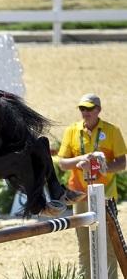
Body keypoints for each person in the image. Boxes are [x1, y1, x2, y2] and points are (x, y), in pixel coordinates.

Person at [57, 93, 126, 279]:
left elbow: (122, 163)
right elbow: (62, 163)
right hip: (79, 195)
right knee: (84, 247)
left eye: (89, 108)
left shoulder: (112, 131)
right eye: (82, 109)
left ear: (99, 110)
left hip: (106, 195)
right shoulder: (72, 131)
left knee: (109, 246)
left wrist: (104, 167)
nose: (85, 112)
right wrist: (81, 159)